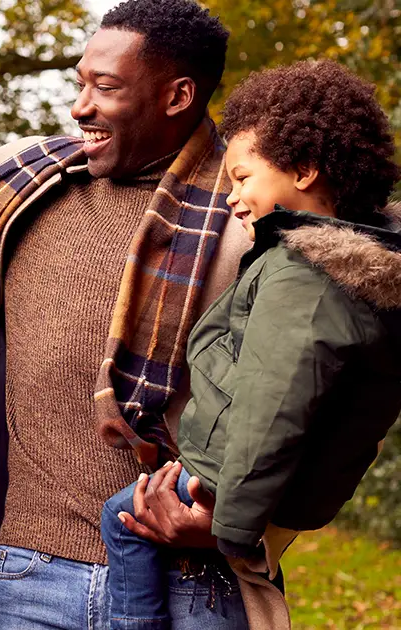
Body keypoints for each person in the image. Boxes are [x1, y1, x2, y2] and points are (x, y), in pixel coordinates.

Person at [0, 0, 293, 628]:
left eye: (104, 87)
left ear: (177, 95)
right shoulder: (29, 179)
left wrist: (237, 525)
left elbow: (317, 398)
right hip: (29, 572)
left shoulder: (248, 219)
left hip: (192, 578)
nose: (80, 105)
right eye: (82, 81)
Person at [101, 59, 401, 630]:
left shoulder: (302, 274)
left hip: (221, 481)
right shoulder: (363, 265)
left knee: (123, 518)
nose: (232, 197)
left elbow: (273, 403)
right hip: (266, 484)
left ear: (306, 169)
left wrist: (229, 527)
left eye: (242, 177)